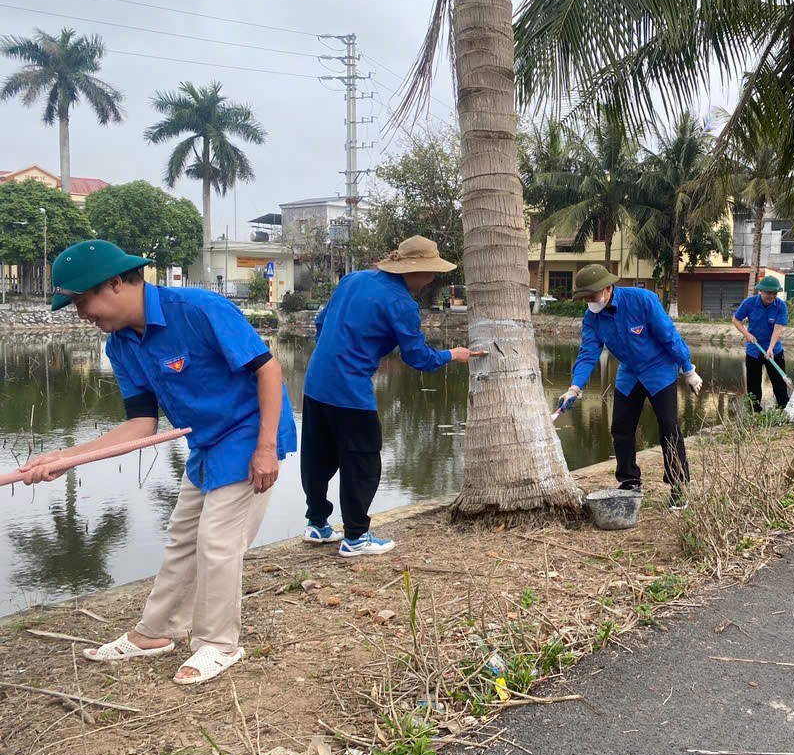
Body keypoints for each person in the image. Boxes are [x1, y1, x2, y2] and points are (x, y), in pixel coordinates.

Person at [19, 240, 296, 685]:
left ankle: (218, 643)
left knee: (218, 541)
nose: (81, 314)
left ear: (114, 284)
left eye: (81, 300)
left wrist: (265, 448)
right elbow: (141, 425)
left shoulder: (198, 308)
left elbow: (269, 370)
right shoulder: (121, 347)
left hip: (248, 432)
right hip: (205, 441)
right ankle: (157, 632)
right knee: (184, 536)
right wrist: (65, 458)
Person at [301, 236, 478, 556]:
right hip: (350, 391)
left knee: (318, 456)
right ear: (417, 271)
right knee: (363, 461)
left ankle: (317, 525)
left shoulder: (353, 279)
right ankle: (355, 538)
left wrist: (336, 352)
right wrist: (454, 354)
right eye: (431, 273)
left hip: (315, 381)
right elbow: (417, 357)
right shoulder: (401, 303)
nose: (432, 280)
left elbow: (320, 321)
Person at [555, 265, 702, 509]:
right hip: (630, 373)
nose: (589, 302)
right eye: (585, 298)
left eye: (592, 296)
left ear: (608, 288)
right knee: (621, 428)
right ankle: (630, 481)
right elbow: (588, 352)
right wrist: (574, 387)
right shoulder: (592, 317)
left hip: (659, 371)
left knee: (669, 427)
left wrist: (688, 369)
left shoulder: (643, 300)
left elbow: (669, 335)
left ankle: (678, 485)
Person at [732, 276, 789, 413]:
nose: (772, 296)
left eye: (774, 293)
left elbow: (779, 327)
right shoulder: (749, 303)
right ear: (761, 291)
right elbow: (736, 319)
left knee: (779, 383)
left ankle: (784, 409)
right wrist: (747, 334)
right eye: (769, 293)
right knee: (753, 384)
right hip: (754, 349)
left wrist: (770, 348)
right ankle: (754, 411)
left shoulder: (780, 305)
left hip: (774, 350)